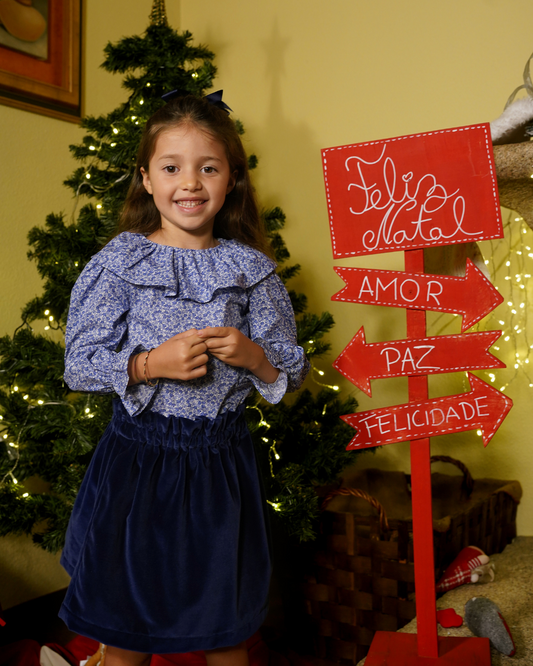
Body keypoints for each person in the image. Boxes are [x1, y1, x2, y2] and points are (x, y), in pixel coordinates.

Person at [59, 92, 309, 666]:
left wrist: (255, 358)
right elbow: (79, 363)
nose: (190, 183)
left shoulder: (250, 271)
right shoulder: (119, 263)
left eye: (208, 167)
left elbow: (289, 372)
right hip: (139, 468)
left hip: (221, 469)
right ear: (146, 179)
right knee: (125, 632)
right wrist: (148, 364)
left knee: (225, 631)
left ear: (232, 180)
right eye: (171, 167)